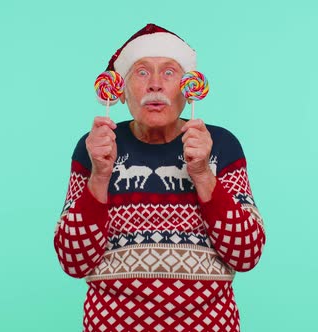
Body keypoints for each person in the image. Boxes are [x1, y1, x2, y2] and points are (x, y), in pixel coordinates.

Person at [54, 23, 266, 332]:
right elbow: (74, 261)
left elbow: (246, 253)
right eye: (141, 72)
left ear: (189, 86)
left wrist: (203, 173)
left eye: (169, 72)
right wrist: (100, 175)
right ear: (121, 91)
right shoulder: (96, 145)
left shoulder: (220, 145)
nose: (155, 84)